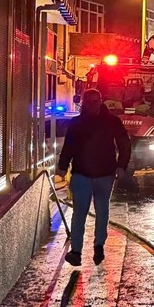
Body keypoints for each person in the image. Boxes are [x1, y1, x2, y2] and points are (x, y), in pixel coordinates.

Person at [56, 89, 131, 266]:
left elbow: (124, 144)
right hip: (82, 174)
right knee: (80, 213)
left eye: (96, 101)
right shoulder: (77, 123)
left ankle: (98, 246)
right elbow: (69, 147)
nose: (94, 104)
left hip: (104, 175)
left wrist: (121, 166)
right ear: (85, 103)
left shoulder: (111, 121)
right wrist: (62, 167)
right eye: (90, 102)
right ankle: (76, 252)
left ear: (101, 101)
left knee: (102, 211)